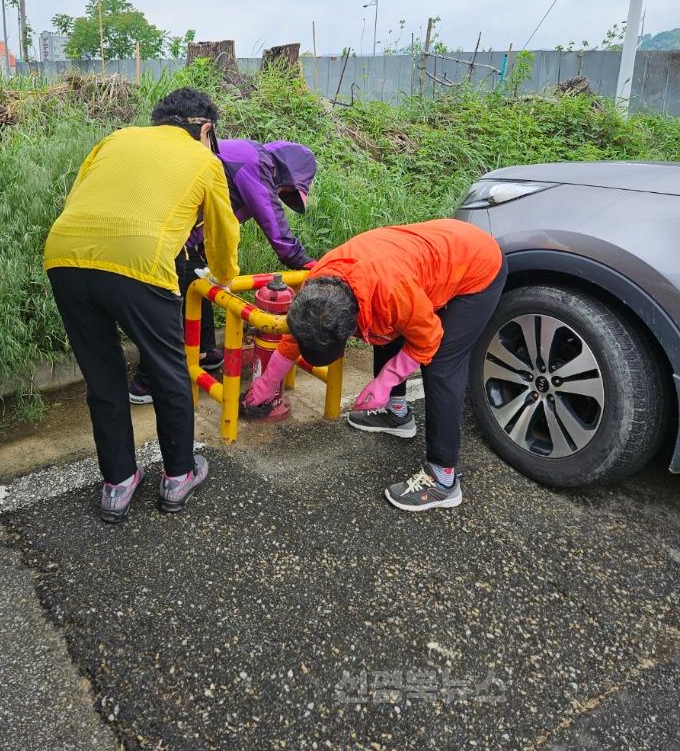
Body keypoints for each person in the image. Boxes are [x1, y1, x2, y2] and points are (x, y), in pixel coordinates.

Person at [44, 88, 240, 523]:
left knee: (103, 375)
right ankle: (178, 476)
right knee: (170, 369)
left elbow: (77, 197)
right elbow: (222, 236)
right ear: (205, 129)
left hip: (65, 256)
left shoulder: (116, 139)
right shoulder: (206, 161)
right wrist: (224, 279)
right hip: (139, 264)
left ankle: (118, 483)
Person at [243, 219, 505, 512]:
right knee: (383, 327)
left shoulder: (392, 294)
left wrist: (384, 382)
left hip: (476, 269)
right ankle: (396, 415)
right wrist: (265, 385)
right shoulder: (317, 289)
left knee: (441, 365)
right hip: (426, 260)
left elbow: (428, 338)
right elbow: (298, 335)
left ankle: (443, 479)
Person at [128, 138, 317, 404]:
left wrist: (206, 249)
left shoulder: (242, 160)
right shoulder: (255, 162)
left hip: (180, 230)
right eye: (287, 189)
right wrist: (305, 262)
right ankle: (146, 382)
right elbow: (274, 225)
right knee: (171, 300)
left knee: (196, 276)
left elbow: (221, 215)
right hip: (163, 230)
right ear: (286, 171)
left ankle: (202, 352)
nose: (282, 194)